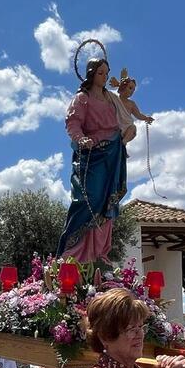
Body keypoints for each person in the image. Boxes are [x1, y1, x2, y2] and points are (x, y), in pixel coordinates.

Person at [56, 57, 128, 264]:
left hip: (113, 152)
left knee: (108, 201)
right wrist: (81, 139)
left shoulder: (111, 99)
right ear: (90, 74)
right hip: (91, 155)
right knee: (88, 200)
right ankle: (74, 255)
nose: (104, 77)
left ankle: (99, 255)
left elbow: (125, 117)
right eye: (100, 73)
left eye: (106, 73)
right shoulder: (82, 98)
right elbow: (73, 123)